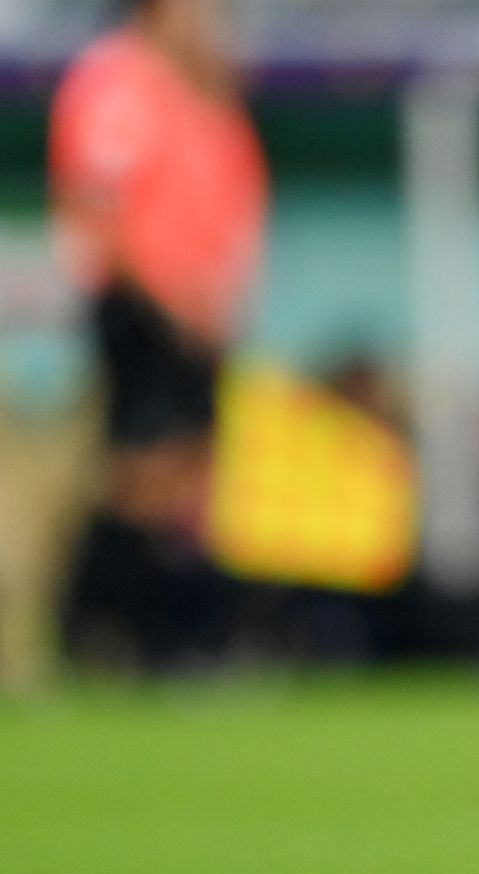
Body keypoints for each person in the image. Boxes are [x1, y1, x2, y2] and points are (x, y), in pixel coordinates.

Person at [48, 0, 267, 667]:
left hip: (199, 312)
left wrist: (218, 296)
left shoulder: (201, 86)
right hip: (141, 304)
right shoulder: (117, 80)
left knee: (193, 476)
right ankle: (90, 630)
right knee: (143, 472)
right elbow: (102, 205)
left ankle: (174, 637)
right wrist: (166, 299)